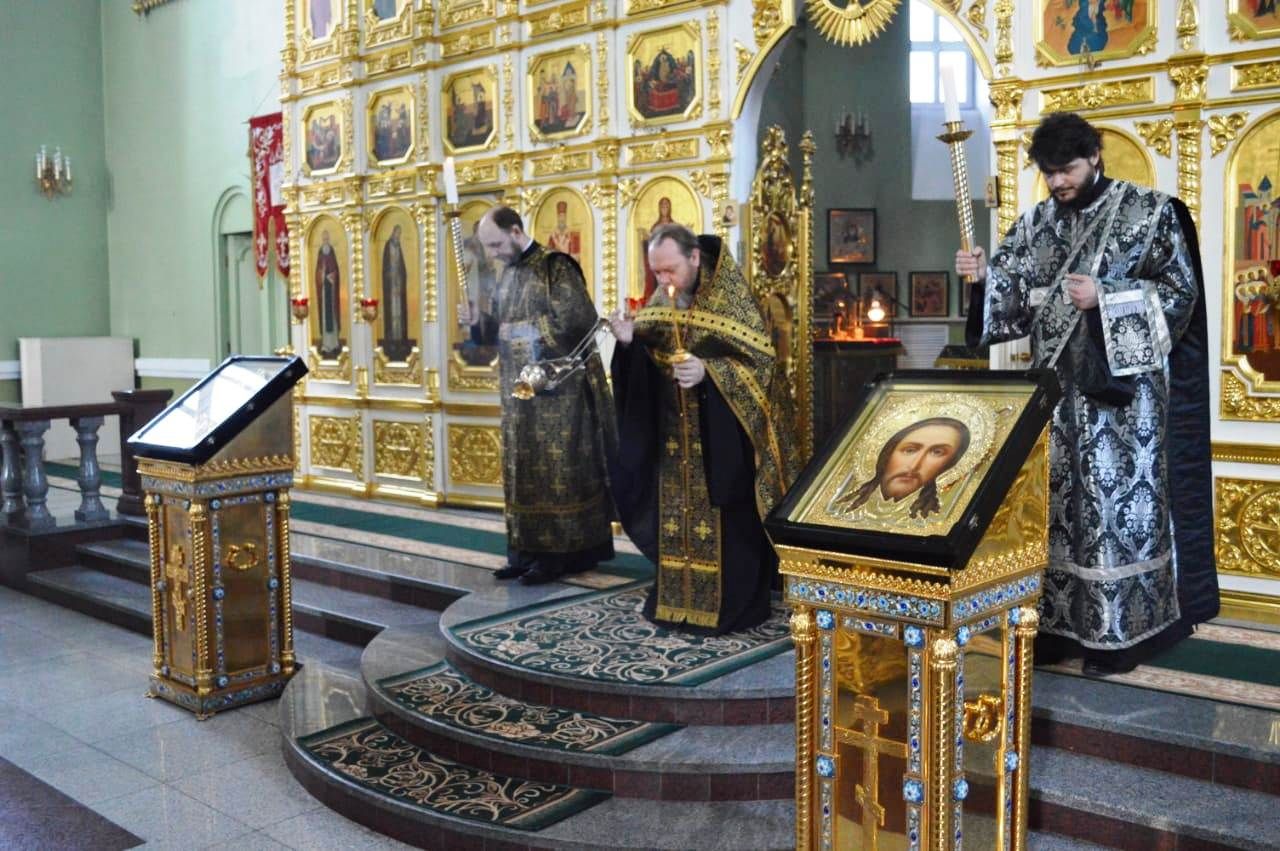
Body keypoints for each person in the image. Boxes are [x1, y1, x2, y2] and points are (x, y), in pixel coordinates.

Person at [956, 112, 1217, 675]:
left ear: (1094, 156)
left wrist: (1108, 297)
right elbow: (1010, 296)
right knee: (1055, 517)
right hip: (1054, 402)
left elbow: (1181, 296)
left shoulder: (1149, 213)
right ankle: (1058, 630)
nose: (1057, 182)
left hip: (1123, 409)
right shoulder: (1036, 224)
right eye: (1048, 173)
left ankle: (1120, 636)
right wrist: (981, 280)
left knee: (1109, 517)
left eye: (1067, 170)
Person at [608, 223, 800, 634]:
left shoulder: (730, 298)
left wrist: (710, 371)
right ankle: (677, 602)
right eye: (656, 272)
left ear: (694, 258)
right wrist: (628, 343)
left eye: (670, 270)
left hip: (722, 442)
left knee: (726, 521)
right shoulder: (663, 299)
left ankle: (731, 606)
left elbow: (761, 367)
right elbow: (652, 354)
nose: (664, 280)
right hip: (673, 442)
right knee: (675, 521)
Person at [469, 206, 616, 585]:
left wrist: (520, 332)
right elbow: (497, 331)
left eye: (496, 245)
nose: (493, 254)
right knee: (522, 471)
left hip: (559, 397)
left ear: (516, 232)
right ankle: (525, 552)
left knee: (556, 474)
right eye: (488, 247)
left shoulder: (556, 268)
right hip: (519, 397)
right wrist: (477, 323)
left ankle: (559, 556)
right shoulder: (507, 274)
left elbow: (579, 323)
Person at [832, 418, 969, 520]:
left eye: (937, 452)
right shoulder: (841, 507)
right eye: (910, 450)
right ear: (887, 454)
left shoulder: (930, 518)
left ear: (949, 464)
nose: (915, 465)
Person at [380, 224, 410, 361]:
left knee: (400, 314)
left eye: (400, 234)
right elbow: (386, 267)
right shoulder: (388, 246)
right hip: (390, 287)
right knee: (392, 315)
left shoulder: (398, 247)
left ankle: (400, 340)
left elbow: (401, 267)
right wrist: (391, 277)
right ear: (393, 233)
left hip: (398, 285)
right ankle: (391, 341)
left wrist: (401, 278)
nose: (398, 236)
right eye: (397, 233)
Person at [315, 230, 342, 358]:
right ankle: (326, 345)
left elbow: (336, 270)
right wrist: (321, 275)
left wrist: (333, 276)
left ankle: (334, 343)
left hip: (332, 290)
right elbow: (317, 271)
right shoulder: (320, 253)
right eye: (324, 238)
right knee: (325, 316)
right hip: (324, 291)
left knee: (333, 315)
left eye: (327, 238)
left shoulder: (332, 252)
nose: (325, 240)